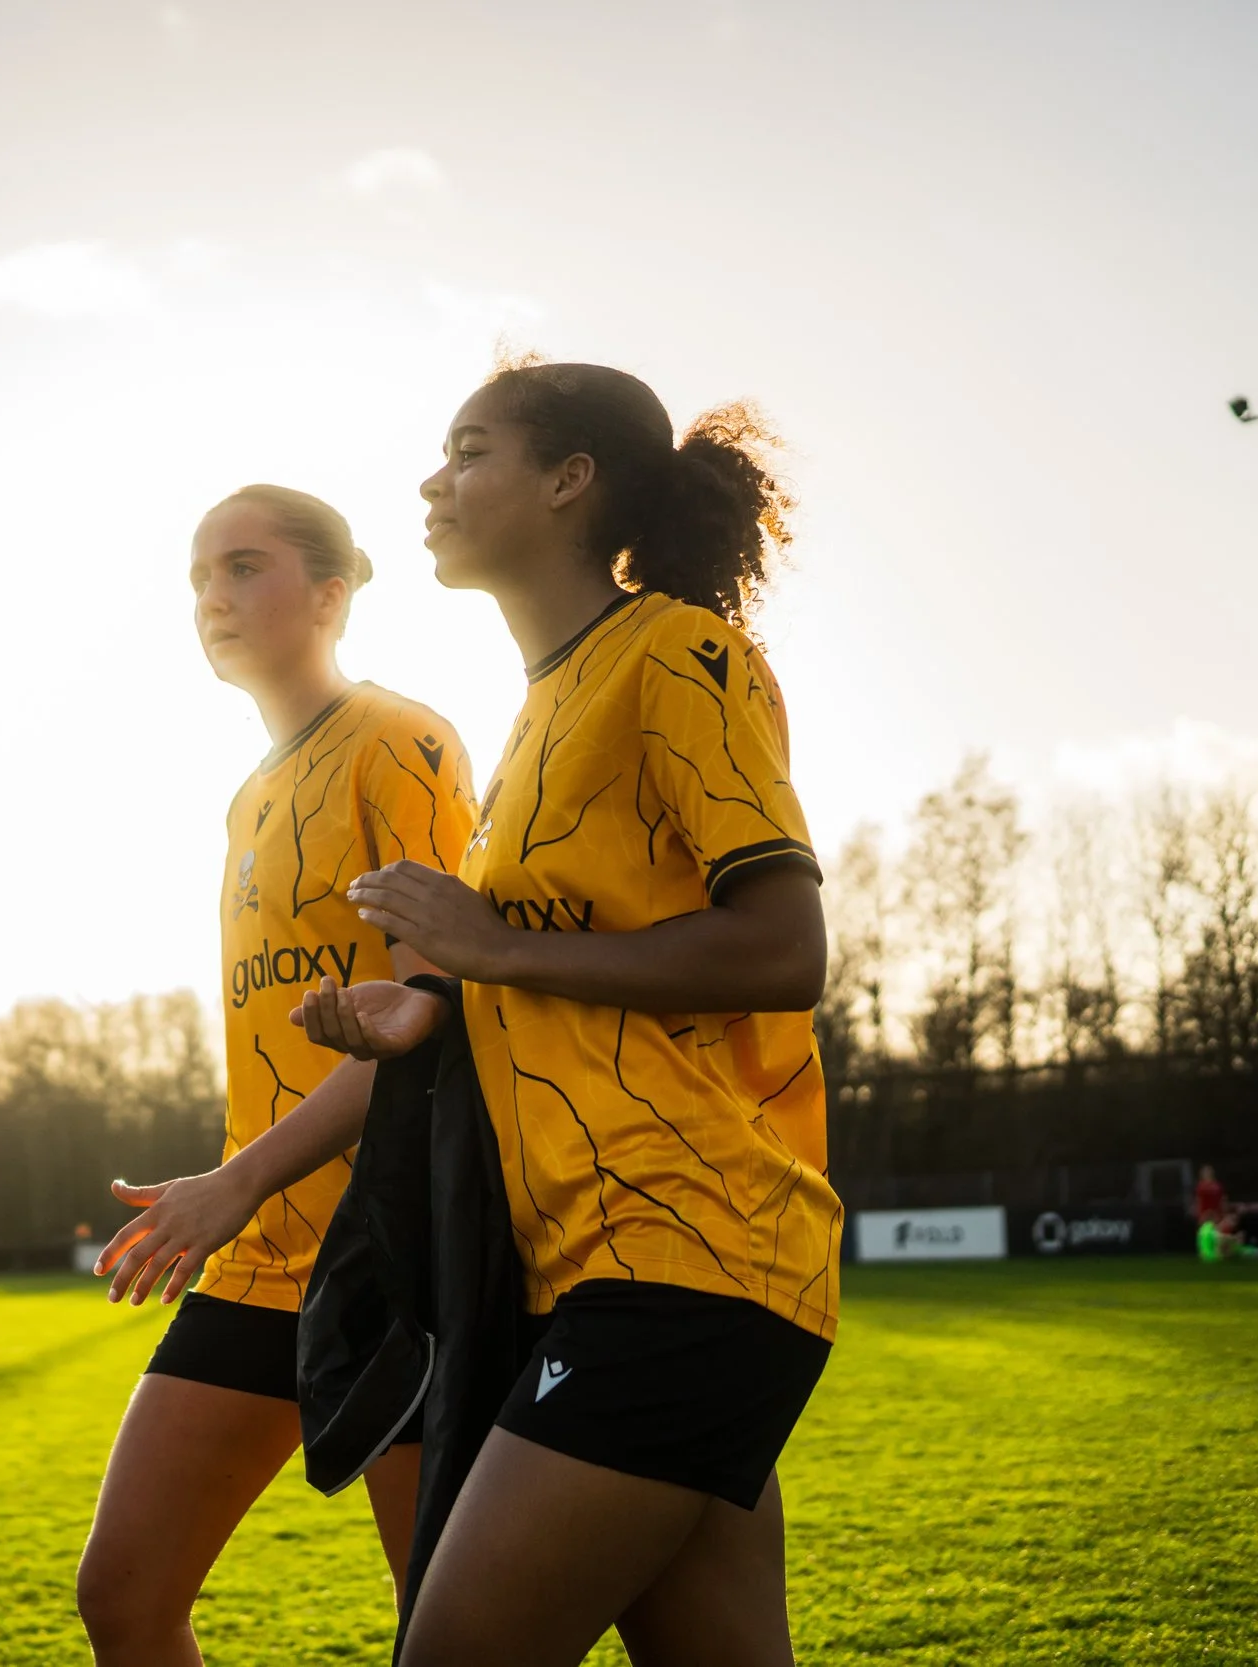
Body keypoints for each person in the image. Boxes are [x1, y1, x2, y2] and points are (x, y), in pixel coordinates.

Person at [296, 361, 839, 1666]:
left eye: (468, 449)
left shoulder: (680, 652)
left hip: (688, 1251)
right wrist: (434, 1010)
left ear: (568, 479)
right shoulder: (541, 709)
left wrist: (491, 944)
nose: (432, 481)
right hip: (589, 1271)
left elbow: (784, 945)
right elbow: (559, 970)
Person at [78, 484, 479, 1665]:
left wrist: (236, 1177)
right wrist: (242, 1188)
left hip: (396, 1255)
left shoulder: (399, 741)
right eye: (199, 575)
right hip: (256, 1256)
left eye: (243, 566)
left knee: (444, 1632)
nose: (212, 596)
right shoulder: (250, 795)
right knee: (123, 1596)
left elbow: (436, 1013)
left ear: (330, 593)